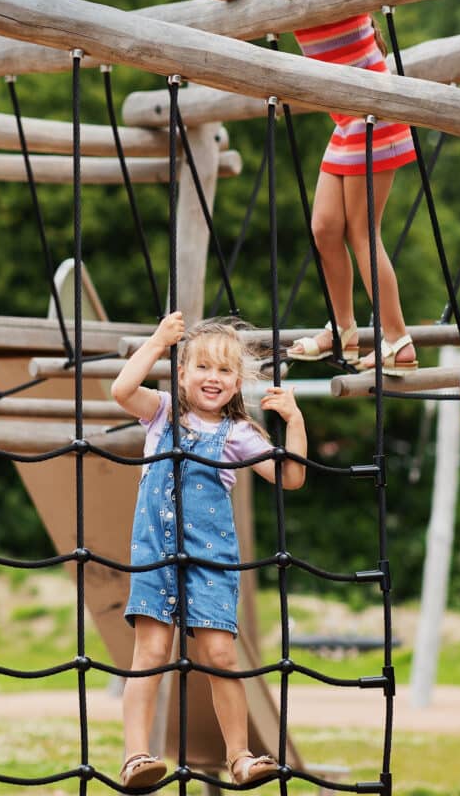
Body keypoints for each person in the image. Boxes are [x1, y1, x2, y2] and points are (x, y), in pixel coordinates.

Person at [203, 0, 418, 375]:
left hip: (376, 112)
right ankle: (343, 332)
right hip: (346, 121)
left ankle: (398, 339)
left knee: (363, 232)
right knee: (324, 229)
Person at [111, 312, 306, 789]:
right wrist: (159, 341)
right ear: (182, 375)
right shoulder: (160, 413)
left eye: (223, 371)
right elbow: (121, 390)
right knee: (151, 653)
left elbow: (291, 477)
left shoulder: (238, 434)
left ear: (237, 383)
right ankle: (136, 755)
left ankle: (238, 755)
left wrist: (295, 420)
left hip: (210, 561)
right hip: (156, 554)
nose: (212, 379)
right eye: (202, 368)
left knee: (221, 655)